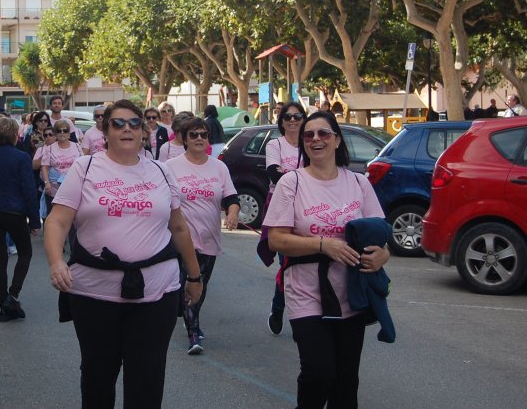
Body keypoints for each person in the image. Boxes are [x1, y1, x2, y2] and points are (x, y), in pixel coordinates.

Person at [43, 99, 203, 408]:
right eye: (118, 123)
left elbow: (179, 227)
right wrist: (55, 261)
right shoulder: (85, 167)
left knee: (147, 376)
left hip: (157, 293)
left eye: (134, 123)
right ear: (105, 131)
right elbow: (58, 220)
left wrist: (195, 276)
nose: (126, 129)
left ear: (144, 131)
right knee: (97, 376)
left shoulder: (161, 171)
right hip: (93, 294)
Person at [265, 111, 389, 409]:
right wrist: (323, 245)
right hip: (306, 292)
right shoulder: (291, 183)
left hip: (351, 293)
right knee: (319, 372)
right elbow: (276, 240)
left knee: (346, 382)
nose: (315, 140)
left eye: (323, 134)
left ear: (337, 139)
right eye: (309, 135)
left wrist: (383, 255)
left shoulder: (358, 183)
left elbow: (379, 234)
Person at [166, 117, 239, 355]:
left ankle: (192, 319)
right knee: (185, 282)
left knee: (200, 285)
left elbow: (231, 198)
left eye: (203, 135)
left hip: (209, 237)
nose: (199, 138)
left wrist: (232, 214)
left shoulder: (219, 167)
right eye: (194, 135)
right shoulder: (171, 167)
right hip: (180, 238)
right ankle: (193, 332)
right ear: (184, 139)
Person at [0, 117, 41, 321]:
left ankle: (2, 300)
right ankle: (13, 295)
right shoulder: (22, 157)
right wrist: (35, 220)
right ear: (15, 135)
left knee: (0, 257)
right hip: (15, 212)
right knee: (25, 253)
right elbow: (29, 191)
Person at [263, 101, 306, 335]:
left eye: (297, 116)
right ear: (281, 121)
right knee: (286, 263)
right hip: (281, 208)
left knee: (304, 263)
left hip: (307, 207)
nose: (292, 120)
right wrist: (301, 180)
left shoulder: (310, 142)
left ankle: (303, 314)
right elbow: (273, 173)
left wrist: (289, 176)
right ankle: (278, 308)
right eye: (287, 117)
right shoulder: (275, 144)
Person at [40, 119, 83, 211]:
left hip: (74, 189)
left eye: (65, 130)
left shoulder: (76, 146)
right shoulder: (50, 148)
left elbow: (83, 164)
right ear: (55, 134)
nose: (62, 133)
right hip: (55, 191)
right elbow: (44, 167)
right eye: (59, 131)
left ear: (69, 134)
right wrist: (47, 184)